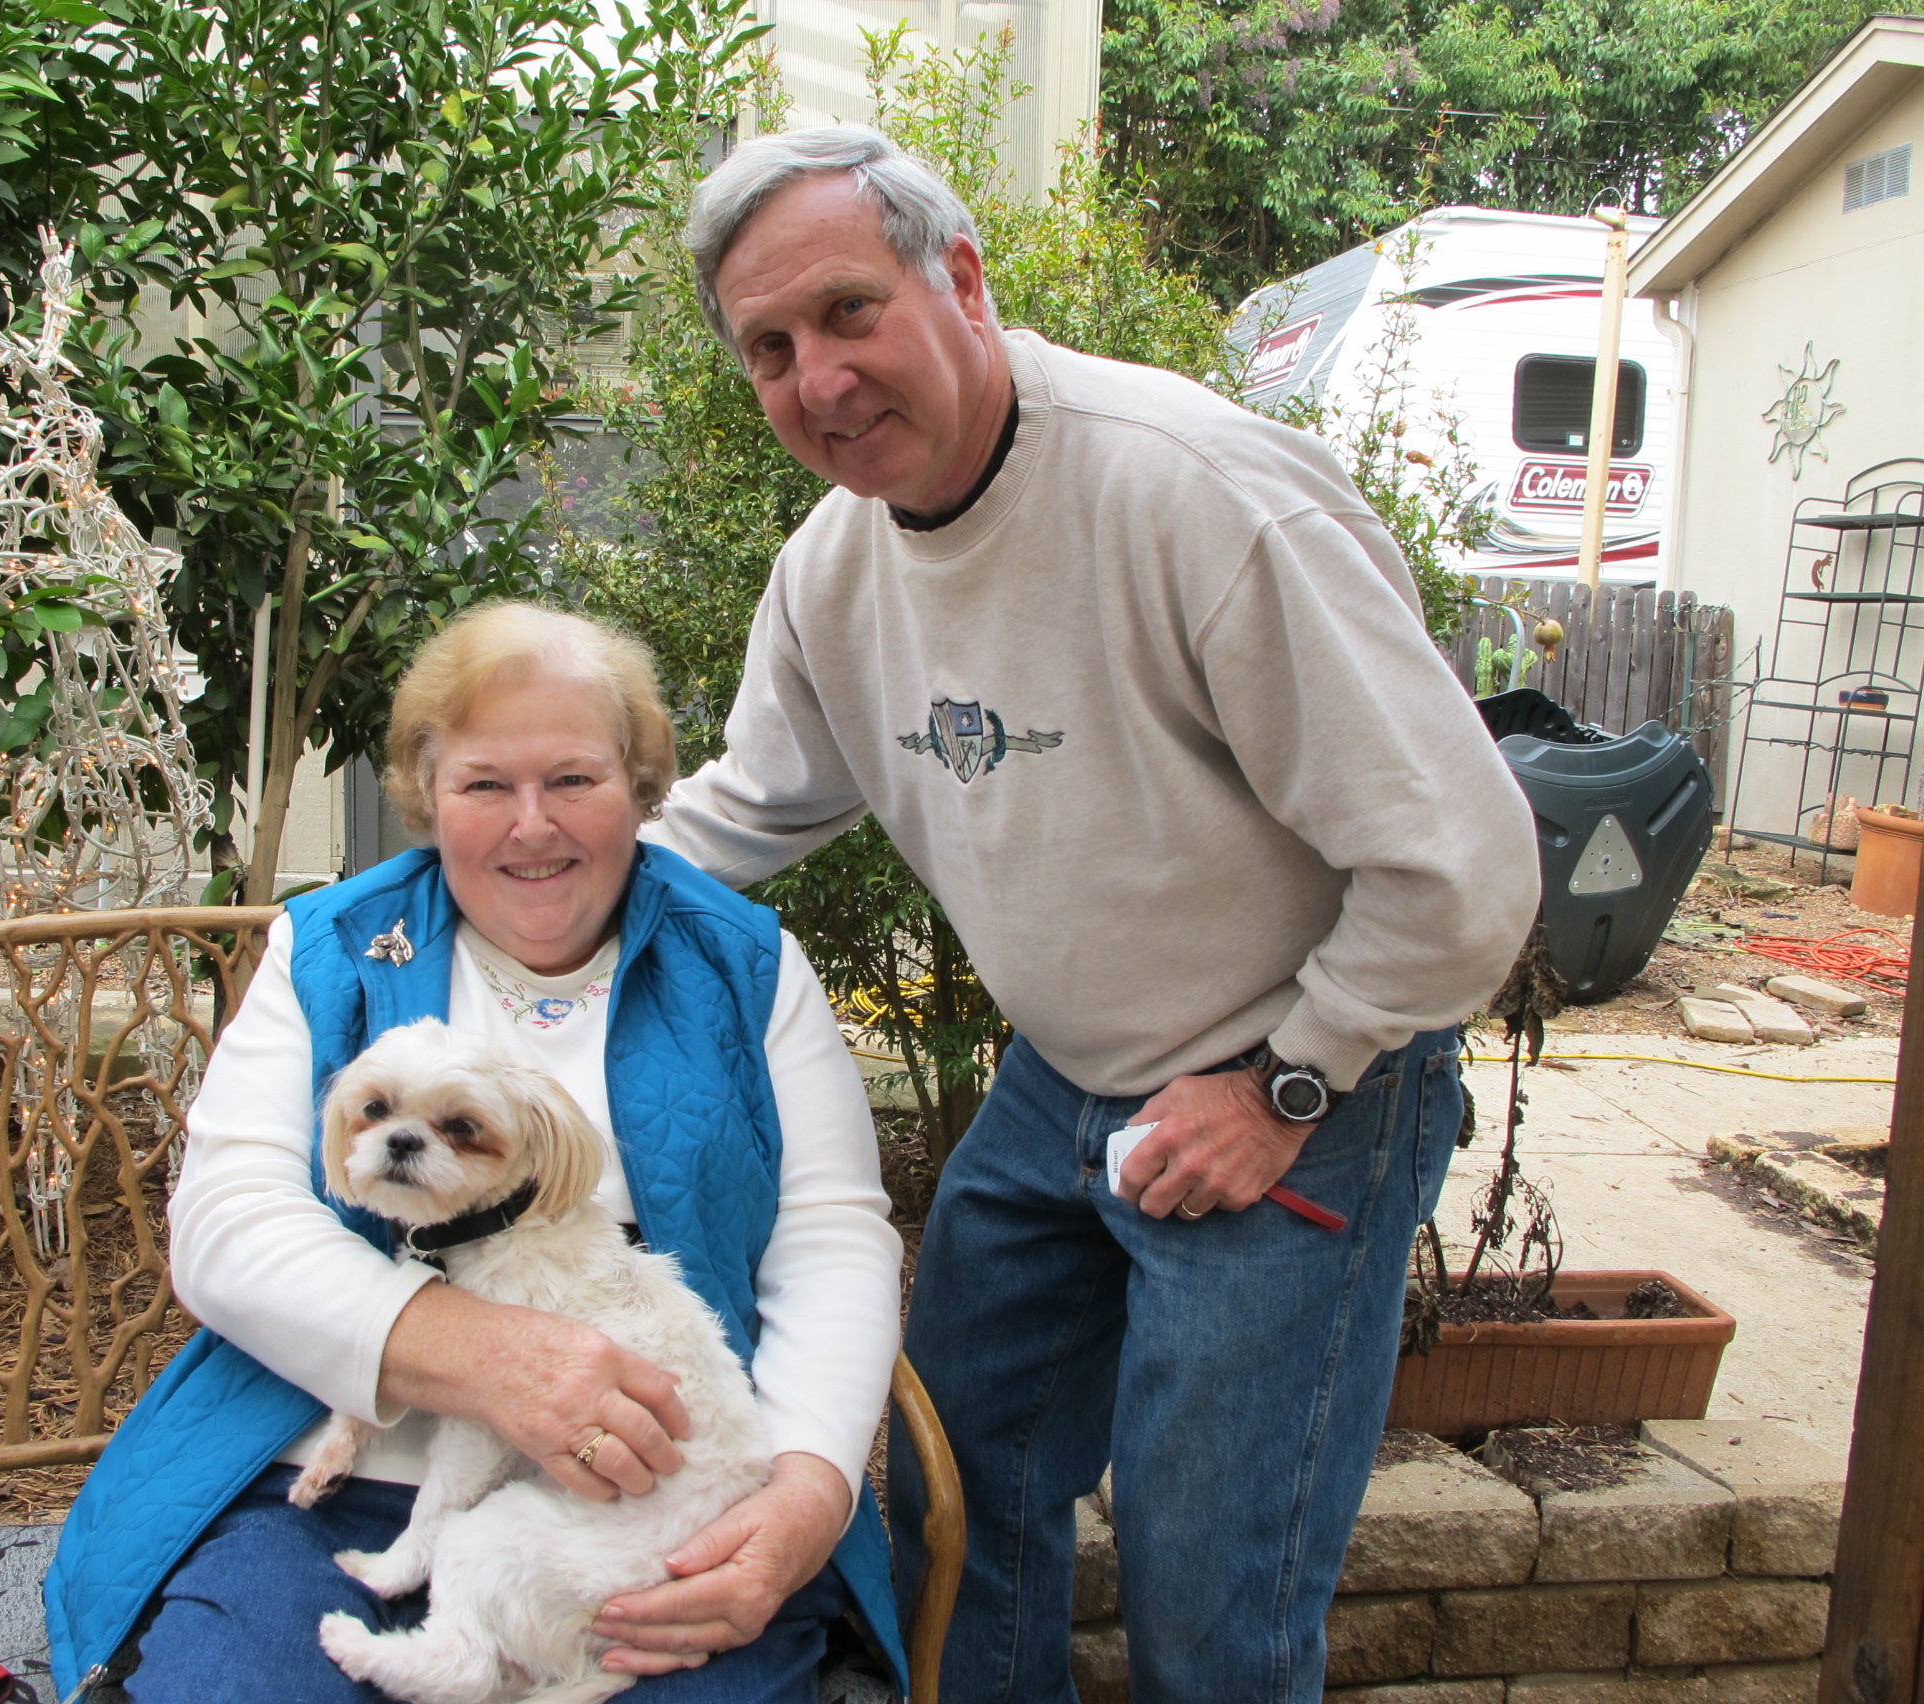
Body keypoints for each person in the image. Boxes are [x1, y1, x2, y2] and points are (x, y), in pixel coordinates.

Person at [648, 126, 1542, 1702]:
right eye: (769, 350)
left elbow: (1462, 862)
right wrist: (497, 896)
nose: (818, 380)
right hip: (1063, 1080)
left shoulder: (1196, 496)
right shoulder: (832, 568)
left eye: (849, 312)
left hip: (1301, 1084)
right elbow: (757, 804)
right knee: (957, 1487)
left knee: (1211, 1592)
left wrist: (1287, 1083)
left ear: (961, 279)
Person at [43, 603, 907, 1704]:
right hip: (325, 1483)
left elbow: (831, 1244)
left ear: (642, 786)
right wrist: (489, 1358)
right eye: (485, 784)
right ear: (428, 792)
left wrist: (805, 1492)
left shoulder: (745, 968)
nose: (531, 826)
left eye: (574, 780)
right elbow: (227, 1223)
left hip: (647, 1505)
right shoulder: (331, 950)